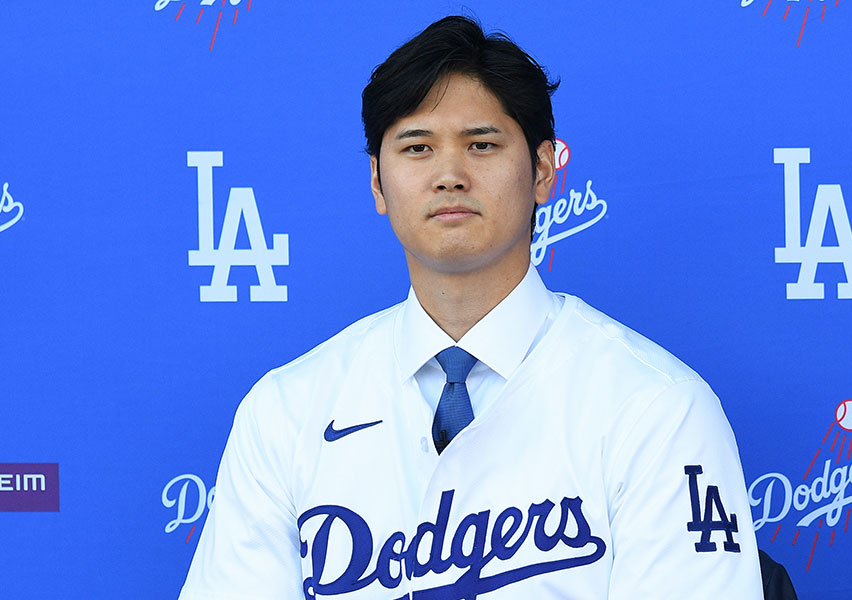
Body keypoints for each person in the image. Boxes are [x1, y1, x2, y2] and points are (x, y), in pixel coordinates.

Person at [179, 16, 764, 599]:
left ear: (541, 171)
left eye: (481, 145)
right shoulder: (285, 411)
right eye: (418, 148)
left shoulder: (656, 407)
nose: (450, 175)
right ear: (378, 183)